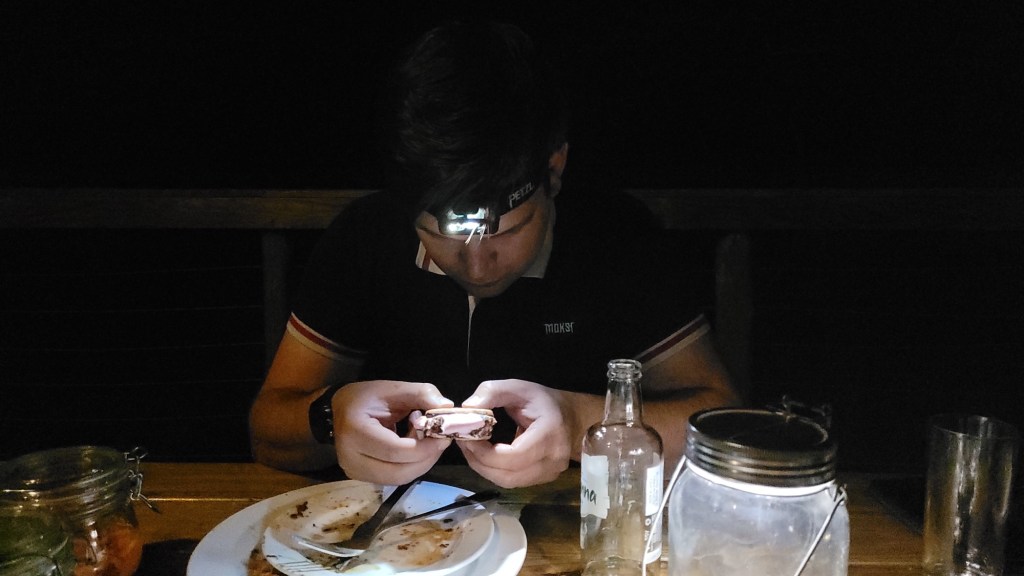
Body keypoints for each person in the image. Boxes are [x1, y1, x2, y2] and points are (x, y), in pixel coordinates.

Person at [249, 20, 739, 489]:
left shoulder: (616, 238)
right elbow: (267, 431)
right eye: (440, 235)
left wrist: (578, 423)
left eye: (510, 229)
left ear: (553, 170)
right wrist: (332, 414)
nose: (478, 266)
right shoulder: (367, 236)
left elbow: (717, 423)